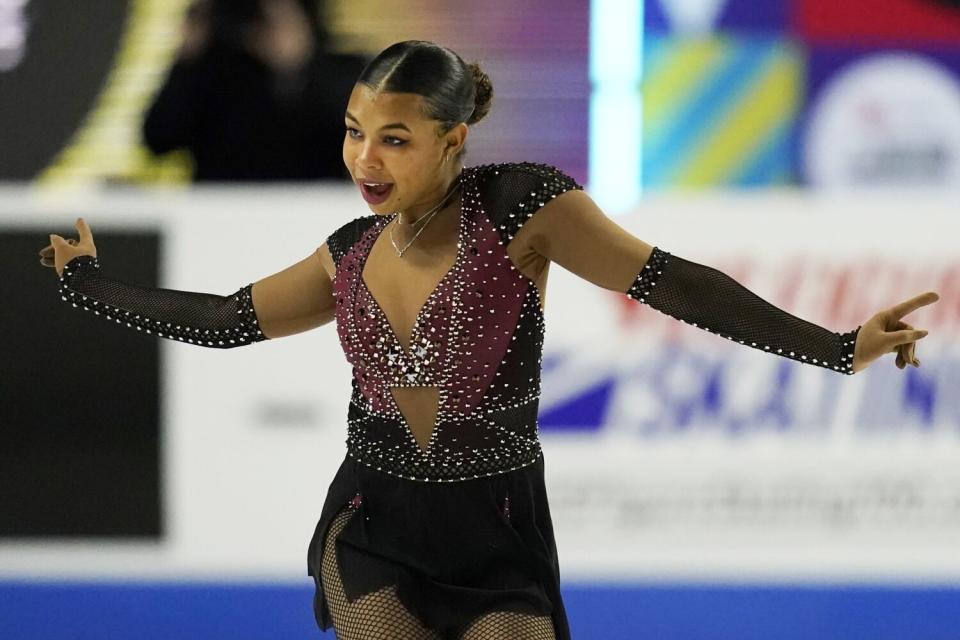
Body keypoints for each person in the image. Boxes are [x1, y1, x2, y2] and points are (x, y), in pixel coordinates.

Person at [41, 40, 938, 640]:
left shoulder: (521, 208)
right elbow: (227, 321)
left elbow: (675, 282)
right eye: (356, 134)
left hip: (499, 538)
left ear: (454, 139)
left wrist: (833, 345)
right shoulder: (348, 255)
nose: (366, 161)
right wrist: (86, 284)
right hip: (372, 528)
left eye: (394, 139)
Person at [142, 0, 366, 181]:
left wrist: (297, 70)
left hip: (308, 215)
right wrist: (186, 61)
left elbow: (355, 143)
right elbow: (158, 139)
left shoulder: (341, 70)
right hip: (217, 216)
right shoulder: (210, 70)